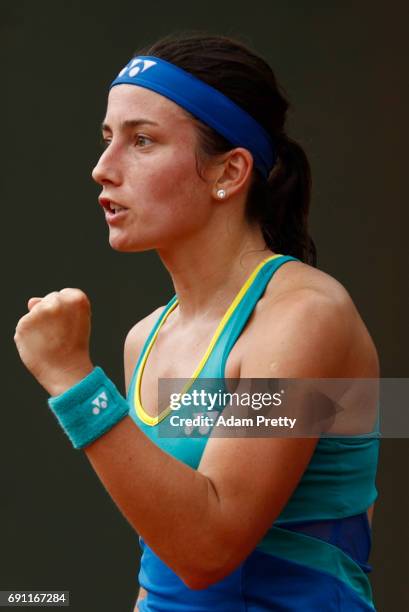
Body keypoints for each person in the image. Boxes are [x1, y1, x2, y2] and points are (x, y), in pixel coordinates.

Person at [14, 32, 380, 611]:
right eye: (108, 139)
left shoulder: (306, 318)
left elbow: (207, 547)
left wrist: (74, 382)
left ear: (230, 173)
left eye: (142, 140)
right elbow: (160, 565)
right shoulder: (146, 338)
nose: (101, 169)